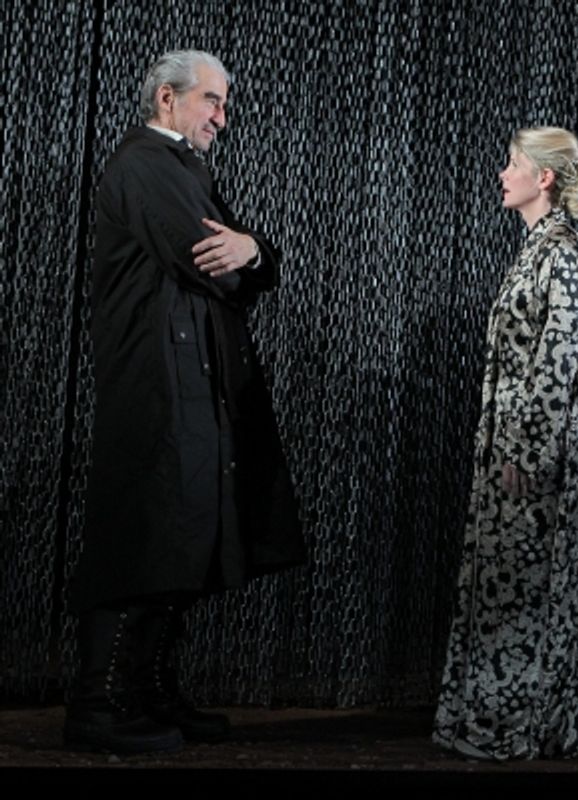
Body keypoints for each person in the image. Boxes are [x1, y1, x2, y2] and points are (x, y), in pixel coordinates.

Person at [66, 50, 305, 754]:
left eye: (223, 103)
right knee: (145, 534)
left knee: (189, 536)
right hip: (156, 384)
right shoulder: (142, 163)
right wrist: (250, 254)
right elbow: (206, 259)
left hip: (192, 383)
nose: (220, 118)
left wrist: (255, 250)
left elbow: (255, 263)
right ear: (167, 100)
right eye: (211, 101)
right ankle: (100, 705)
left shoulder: (181, 169)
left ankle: (147, 691)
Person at [432, 127, 578, 761]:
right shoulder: (536, 249)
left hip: (534, 451)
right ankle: (511, 722)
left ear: (544, 178)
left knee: (523, 590)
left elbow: (557, 363)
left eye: (513, 164)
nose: (503, 174)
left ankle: (513, 727)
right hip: (510, 442)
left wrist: (527, 453)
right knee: (509, 583)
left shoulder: (563, 252)